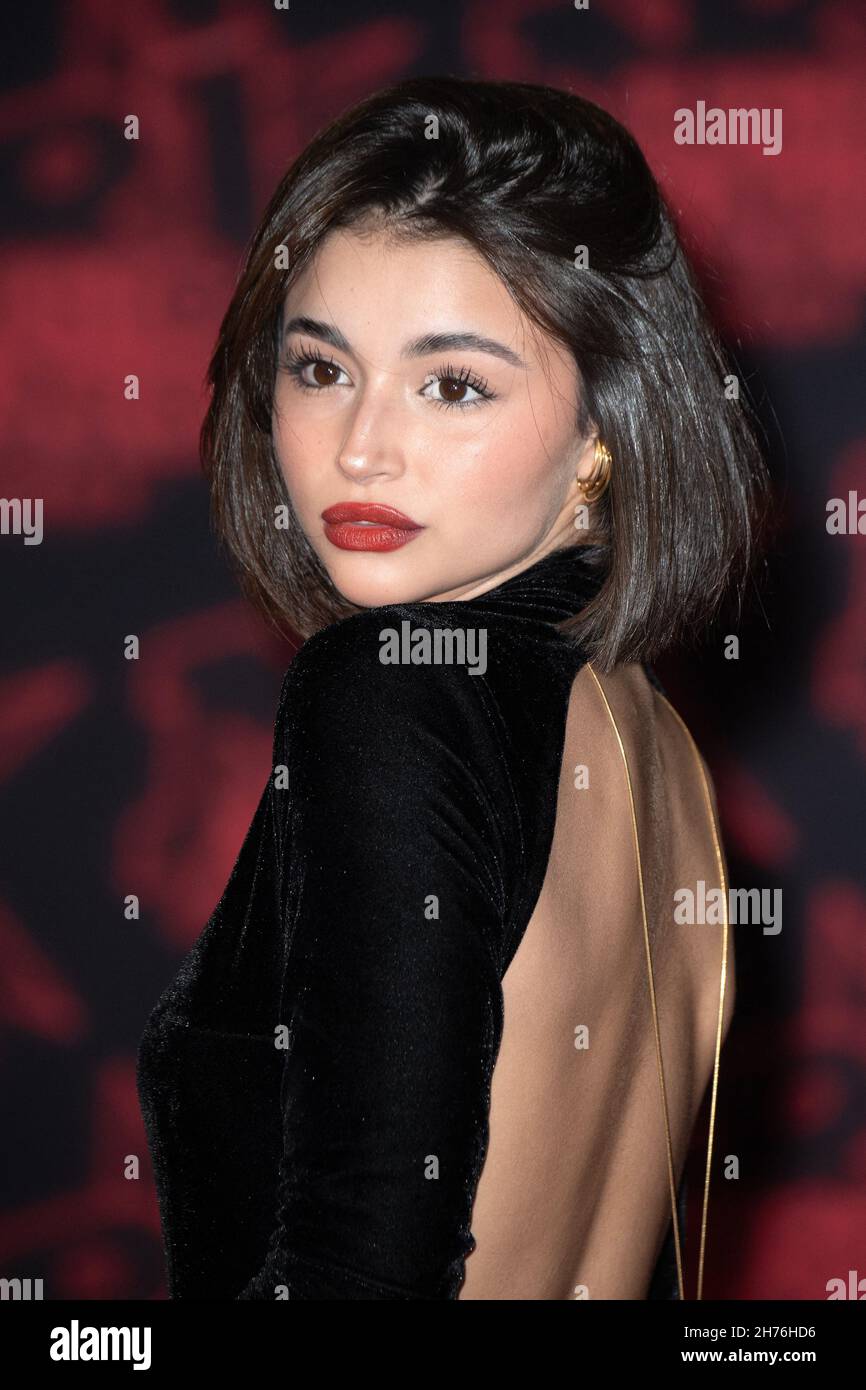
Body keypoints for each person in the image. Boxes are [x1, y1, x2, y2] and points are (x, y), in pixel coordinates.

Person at [136, 76, 770, 1300]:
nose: (360, 446)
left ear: (604, 428)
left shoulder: (393, 695)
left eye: (453, 384)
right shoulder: (660, 746)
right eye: (320, 369)